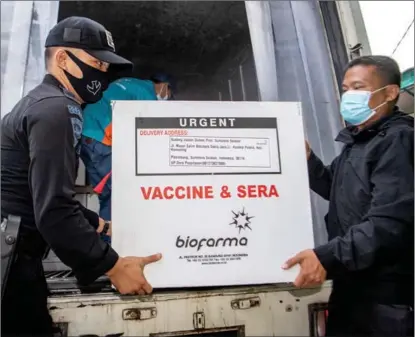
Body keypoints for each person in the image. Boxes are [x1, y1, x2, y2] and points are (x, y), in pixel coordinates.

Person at [1, 16, 162, 337]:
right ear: (62, 58)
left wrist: (100, 225)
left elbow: (38, 193)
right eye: (96, 64)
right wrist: (113, 267)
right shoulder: (56, 110)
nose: (102, 76)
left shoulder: (42, 103)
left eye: (105, 68)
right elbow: (54, 210)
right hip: (11, 262)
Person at [283, 55, 414, 336]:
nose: (348, 96)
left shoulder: (398, 141)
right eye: (345, 89)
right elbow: (336, 188)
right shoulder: (360, 140)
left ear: (390, 93)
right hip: (351, 287)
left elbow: (390, 222)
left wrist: (328, 256)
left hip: (385, 299)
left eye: (358, 87)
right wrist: (308, 160)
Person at [80, 73, 174, 228]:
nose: (167, 100)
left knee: (109, 196)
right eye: (170, 96)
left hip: (88, 136)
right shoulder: (148, 96)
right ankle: (112, 242)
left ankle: (108, 240)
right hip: (99, 139)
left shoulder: (134, 84)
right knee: (118, 195)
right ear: (165, 86)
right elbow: (148, 134)